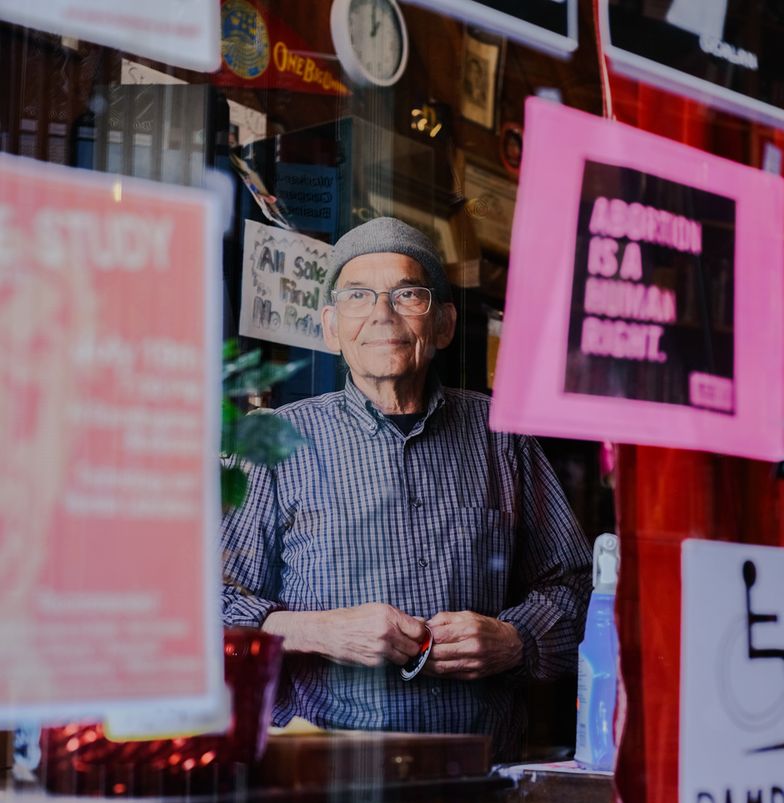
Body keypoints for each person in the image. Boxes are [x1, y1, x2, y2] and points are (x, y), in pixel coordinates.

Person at [221, 217, 592, 759]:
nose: (381, 313)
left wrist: (515, 640)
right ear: (331, 328)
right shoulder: (273, 443)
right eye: (357, 296)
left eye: (407, 294)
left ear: (443, 325)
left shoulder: (501, 437)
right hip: (322, 778)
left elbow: (580, 590)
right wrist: (318, 632)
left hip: (479, 773)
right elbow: (209, 609)